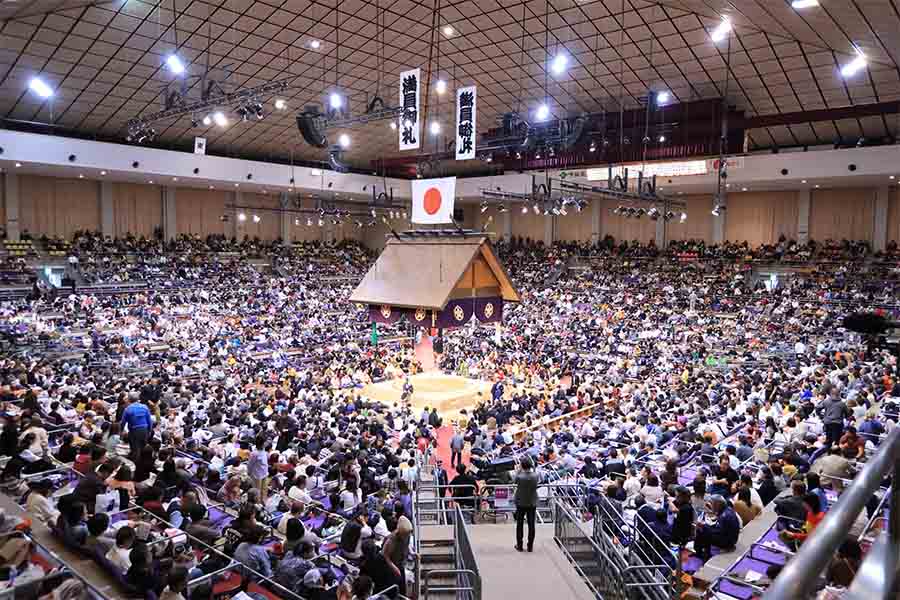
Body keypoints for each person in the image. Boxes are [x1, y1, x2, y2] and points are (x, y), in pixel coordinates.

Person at [693, 495, 740, 561]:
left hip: (727, 542)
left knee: (701, 531)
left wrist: (704, 526)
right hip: (731, 538)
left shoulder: (724, 516)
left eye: (712, 504)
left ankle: (702, 554)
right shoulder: (728, 509)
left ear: (717, 504)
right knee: (704, 528)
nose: (711, 506)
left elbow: (717, 532)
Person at [513, 456, 539, 552]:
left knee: (520, 524)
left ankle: (519, 546)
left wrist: (519, 470)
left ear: (522, 466)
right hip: (532, 502)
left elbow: (514, 481)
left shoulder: (519, 476)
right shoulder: (535, 476)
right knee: (531, 524)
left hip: (520, 502)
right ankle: (530, 546)